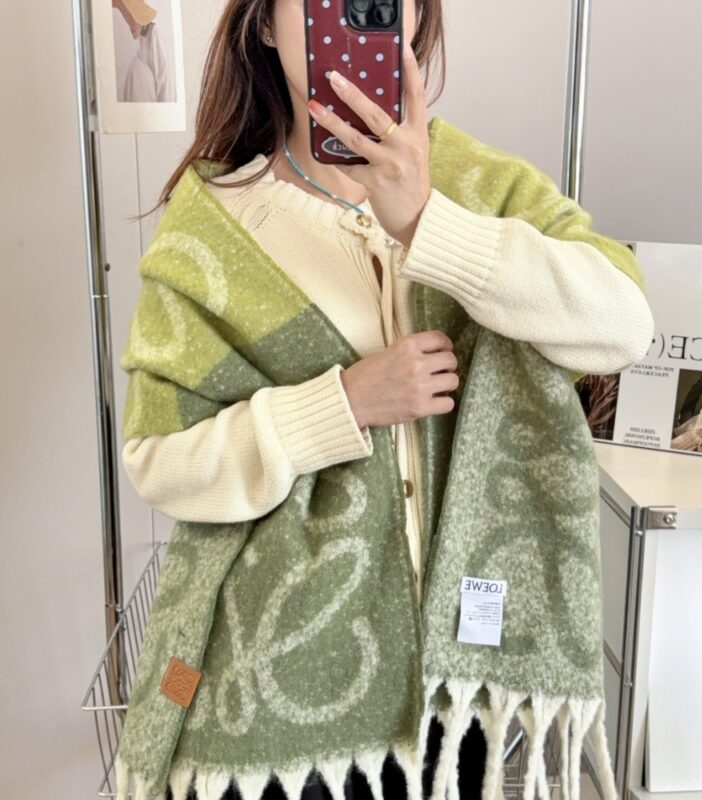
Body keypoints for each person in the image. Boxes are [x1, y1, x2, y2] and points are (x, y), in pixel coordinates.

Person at [120, 1, 655, 798]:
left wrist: (429, 223)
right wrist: (341, 404)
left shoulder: (485, 186)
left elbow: (622, 324)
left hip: (456, 677)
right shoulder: (214, 227)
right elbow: (160, 460)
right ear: (263, 23)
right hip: (274, 691)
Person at [112, 0, 176, 102]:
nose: (130, 26)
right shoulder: (142, 40)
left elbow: (163, 78)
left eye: (131, 17)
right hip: (149, 101)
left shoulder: (154, 34)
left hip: (153, 102)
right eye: (127, 18)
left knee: (137, 68)